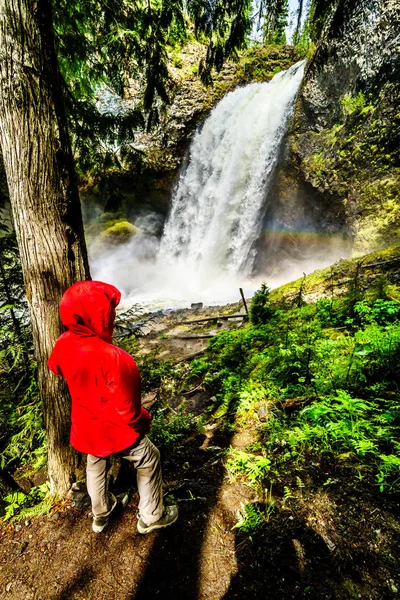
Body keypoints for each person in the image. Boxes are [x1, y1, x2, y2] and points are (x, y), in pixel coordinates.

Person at [47, 280, 178, 534]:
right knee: (149, 459)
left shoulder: (64, 342)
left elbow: (55, 367)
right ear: (102, 316)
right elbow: (129, 413)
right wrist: (145, 419)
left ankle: (101, 513)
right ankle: (152, 516)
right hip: (115, 429)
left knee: (95, 464)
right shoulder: (116, 359)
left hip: (86, 425)